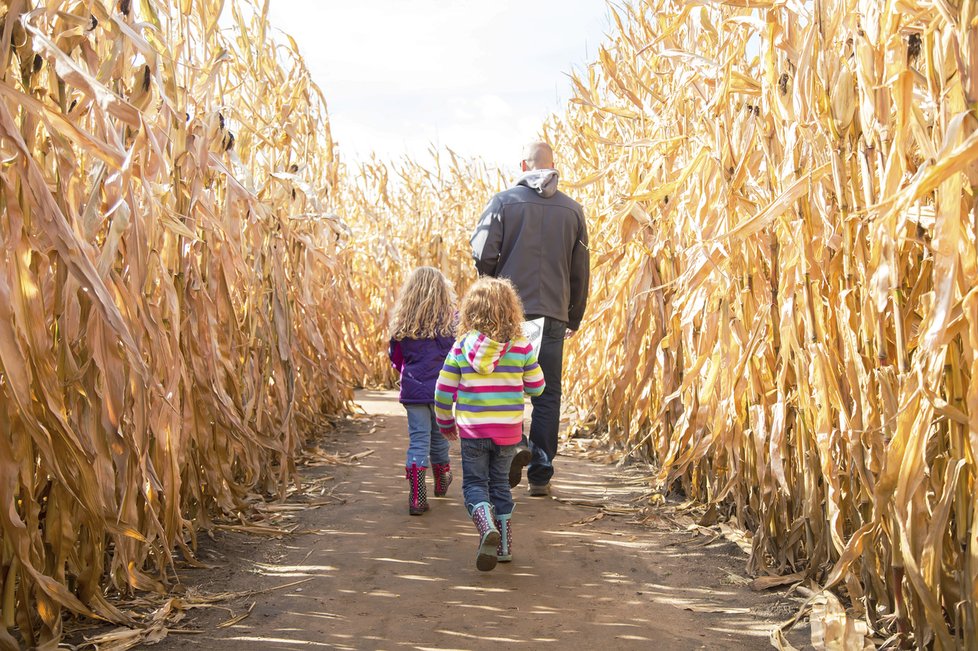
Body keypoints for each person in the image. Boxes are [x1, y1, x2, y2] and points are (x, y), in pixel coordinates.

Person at [469, 141, 590, 497]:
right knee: (547, 392)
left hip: (508, 315)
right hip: (553, 313)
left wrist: (492, 289)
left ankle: (514, 448)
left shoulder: (503, 202)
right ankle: (541, 472)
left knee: (506, 385)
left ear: (523, 165)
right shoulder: (573, 211)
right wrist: (574, 316)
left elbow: (483, 254)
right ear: (554, 165)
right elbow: (580, 270)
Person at [434, 278, 545, 571]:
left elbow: (443, 391)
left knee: (474, 485)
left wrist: (445, 422)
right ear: (511, 310)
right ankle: (505, 547)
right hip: (508, 432)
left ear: (470, 311)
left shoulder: (460, 348)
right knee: (500, 485)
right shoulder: (521, 348)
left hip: (473, 431)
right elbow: (537, 387)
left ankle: (486, 529)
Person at [388, 266, 458, 515]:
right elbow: (458, 355)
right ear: (443, 291)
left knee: (419, 439)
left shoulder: (403, 321)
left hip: (414, 391)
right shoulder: (453, 321)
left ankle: (417, 496)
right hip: (443, 391)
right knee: (440, 438)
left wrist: (405, 373)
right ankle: (442, 479)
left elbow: (395, 357)